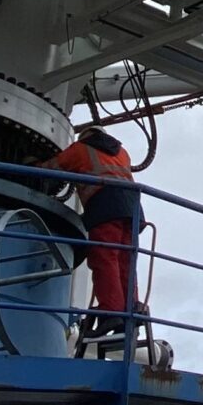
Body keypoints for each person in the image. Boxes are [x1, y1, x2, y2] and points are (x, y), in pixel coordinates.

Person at [42, 128, 144, 339]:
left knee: (105, 258)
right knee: (126, 260)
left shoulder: (81, 148)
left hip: (105, 204)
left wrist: (33, 165)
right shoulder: (121, 152)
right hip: (132, 207)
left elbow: (53, 167)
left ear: (86, 136)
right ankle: (130, 310)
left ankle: (111, 312)